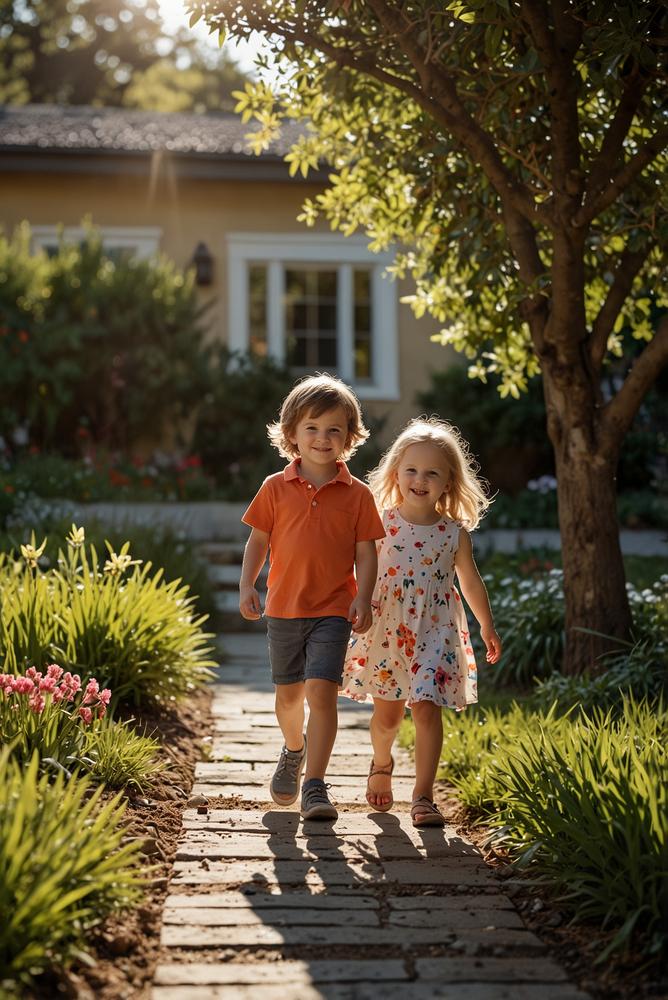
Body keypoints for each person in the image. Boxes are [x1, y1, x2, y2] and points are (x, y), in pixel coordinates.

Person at [340, 416, 502, 827]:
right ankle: (381, 763)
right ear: (396, 473)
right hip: (388, 628)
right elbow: (360, 567)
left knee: (427, 707)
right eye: (411, 469)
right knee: (389, 715)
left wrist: (486, 625)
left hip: (435, 629)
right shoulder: (381, 522)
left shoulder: (454, 533)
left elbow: (469, 581)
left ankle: (423, 796)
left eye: (432, 472)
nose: (420, 479)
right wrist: (355, 603)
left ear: (448, 482)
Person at [239, 374, 385, 821]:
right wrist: (248, 584)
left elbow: (366, 551)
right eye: (312, 428)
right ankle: (293, 748)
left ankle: (316, 785)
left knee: (322, 693)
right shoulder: (274, 487)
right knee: (288, 698)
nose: (323, 438)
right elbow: (258, 542)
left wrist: (364, 596)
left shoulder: (358, 495)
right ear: (292, 435)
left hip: (333, 611)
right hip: (284, 608)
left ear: (349, 436)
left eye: (334, 429)